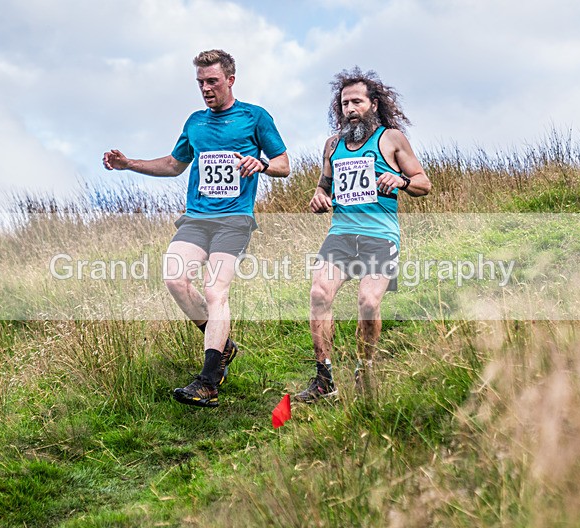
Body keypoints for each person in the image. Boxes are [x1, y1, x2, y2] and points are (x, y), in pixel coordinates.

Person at [103, 50, 290, 407]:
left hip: (234, 219)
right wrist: (129, 164)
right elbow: (174, 165)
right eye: (200, 83)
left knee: (215, 290)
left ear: (230, 80)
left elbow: (284, 165)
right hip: (196, 219)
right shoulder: (195, 123)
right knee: (175, 279)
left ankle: (208, 381)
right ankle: (221, 346)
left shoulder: (255, 117)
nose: (205, 88)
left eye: (212, 81)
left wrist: (261, 164)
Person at [295, 67, 431, 403]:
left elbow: (423, 184)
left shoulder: (391, 139)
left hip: (380, 236)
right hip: (341, 234)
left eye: (357, 101)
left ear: (373, 104)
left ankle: (365, 368)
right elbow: (323, 187)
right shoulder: (332, 145)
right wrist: (319, 198)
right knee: (319, 294)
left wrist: (400, 181)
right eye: (344, 103)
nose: (350, 108)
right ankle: (324, 379)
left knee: (368, 302)